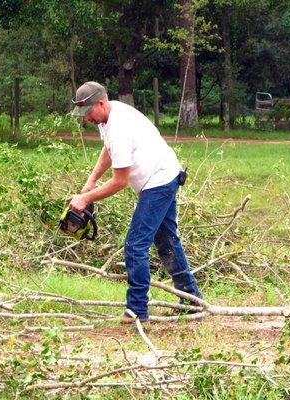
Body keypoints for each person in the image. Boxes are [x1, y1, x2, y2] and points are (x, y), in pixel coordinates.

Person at [69, 81, 202, 323]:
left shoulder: (120, 127)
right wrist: (91, 180)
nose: (85, 117)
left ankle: (137, 309)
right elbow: (109, 150)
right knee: (166, 239)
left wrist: (86, 197)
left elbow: (120, 182)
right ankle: (191, 298)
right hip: (162, 175)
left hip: (159, 181)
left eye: (87, 112)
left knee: (135, 245)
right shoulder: (107, 117)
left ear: (100, 102)